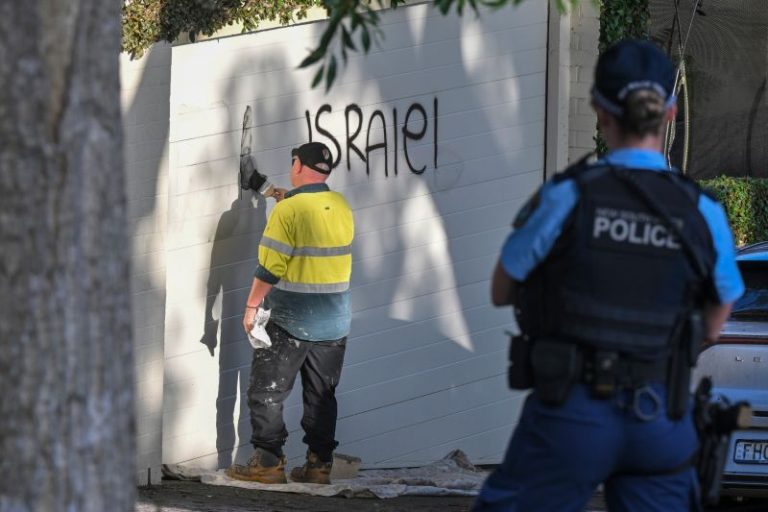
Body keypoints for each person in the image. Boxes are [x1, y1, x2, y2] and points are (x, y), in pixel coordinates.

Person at [472, 40, 744, 512]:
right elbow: (718, 319)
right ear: (672, 113)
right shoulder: (703, 210)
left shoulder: (567, 195)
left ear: (599, 110)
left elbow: (502, 289)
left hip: (570, 416)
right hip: (662, 416)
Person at [226, 141, 355, 485]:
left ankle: (267, 463)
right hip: (335, 322)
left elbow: (270, 269)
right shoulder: (339, 205)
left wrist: (251, 306)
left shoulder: (289, 212)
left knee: (267, 391)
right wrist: (267, 189)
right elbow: (306, 212)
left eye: (292, 161)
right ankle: (318, 466)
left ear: (298, 165)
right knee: (321, 396)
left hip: (292, 320)